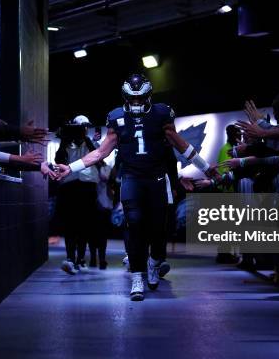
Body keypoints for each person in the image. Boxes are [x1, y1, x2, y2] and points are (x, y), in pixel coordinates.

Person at [55, 74, 217, 301]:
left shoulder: (162, 113)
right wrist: (70, 168)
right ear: (125, 97)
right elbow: (101, 152)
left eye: (141, 98)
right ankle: (137, 275)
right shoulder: (116, 117)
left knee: (159, 227)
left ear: (149, 95)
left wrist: (206, 167)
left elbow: (181, 144)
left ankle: (154, 261)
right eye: (133, 98)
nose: (137, 103)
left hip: (157, 178)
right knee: (134, 225)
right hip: (132, 178)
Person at [55, 115, 100, 275]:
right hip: (70, 185)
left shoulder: (91, 143)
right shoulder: (66, 142)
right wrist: (65, 139)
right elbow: (58, 158)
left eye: (86, 127)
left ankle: (80, 259)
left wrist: (86, 139)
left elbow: (98, 158)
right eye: (81, 127)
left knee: (85, 224)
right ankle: (70, 258)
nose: (84, 129)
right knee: (70, 224)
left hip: (88, 186)